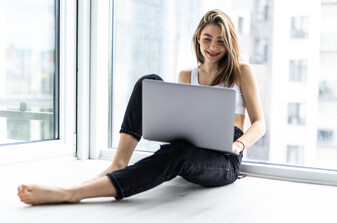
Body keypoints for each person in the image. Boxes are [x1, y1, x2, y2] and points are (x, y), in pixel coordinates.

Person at [17, 9, 265, 205]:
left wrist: (237, 145)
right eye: (207, 39)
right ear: (198, 38)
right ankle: (119, 162)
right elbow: (184, 119)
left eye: (220, 42)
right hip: (189, 144)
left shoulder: (240, 71)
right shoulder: (186, 74)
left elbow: (259, 124)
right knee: (149, 82)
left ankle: (73, 193)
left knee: (177, 154)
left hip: (225, 157)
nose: (212, 47)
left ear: (229, 43)